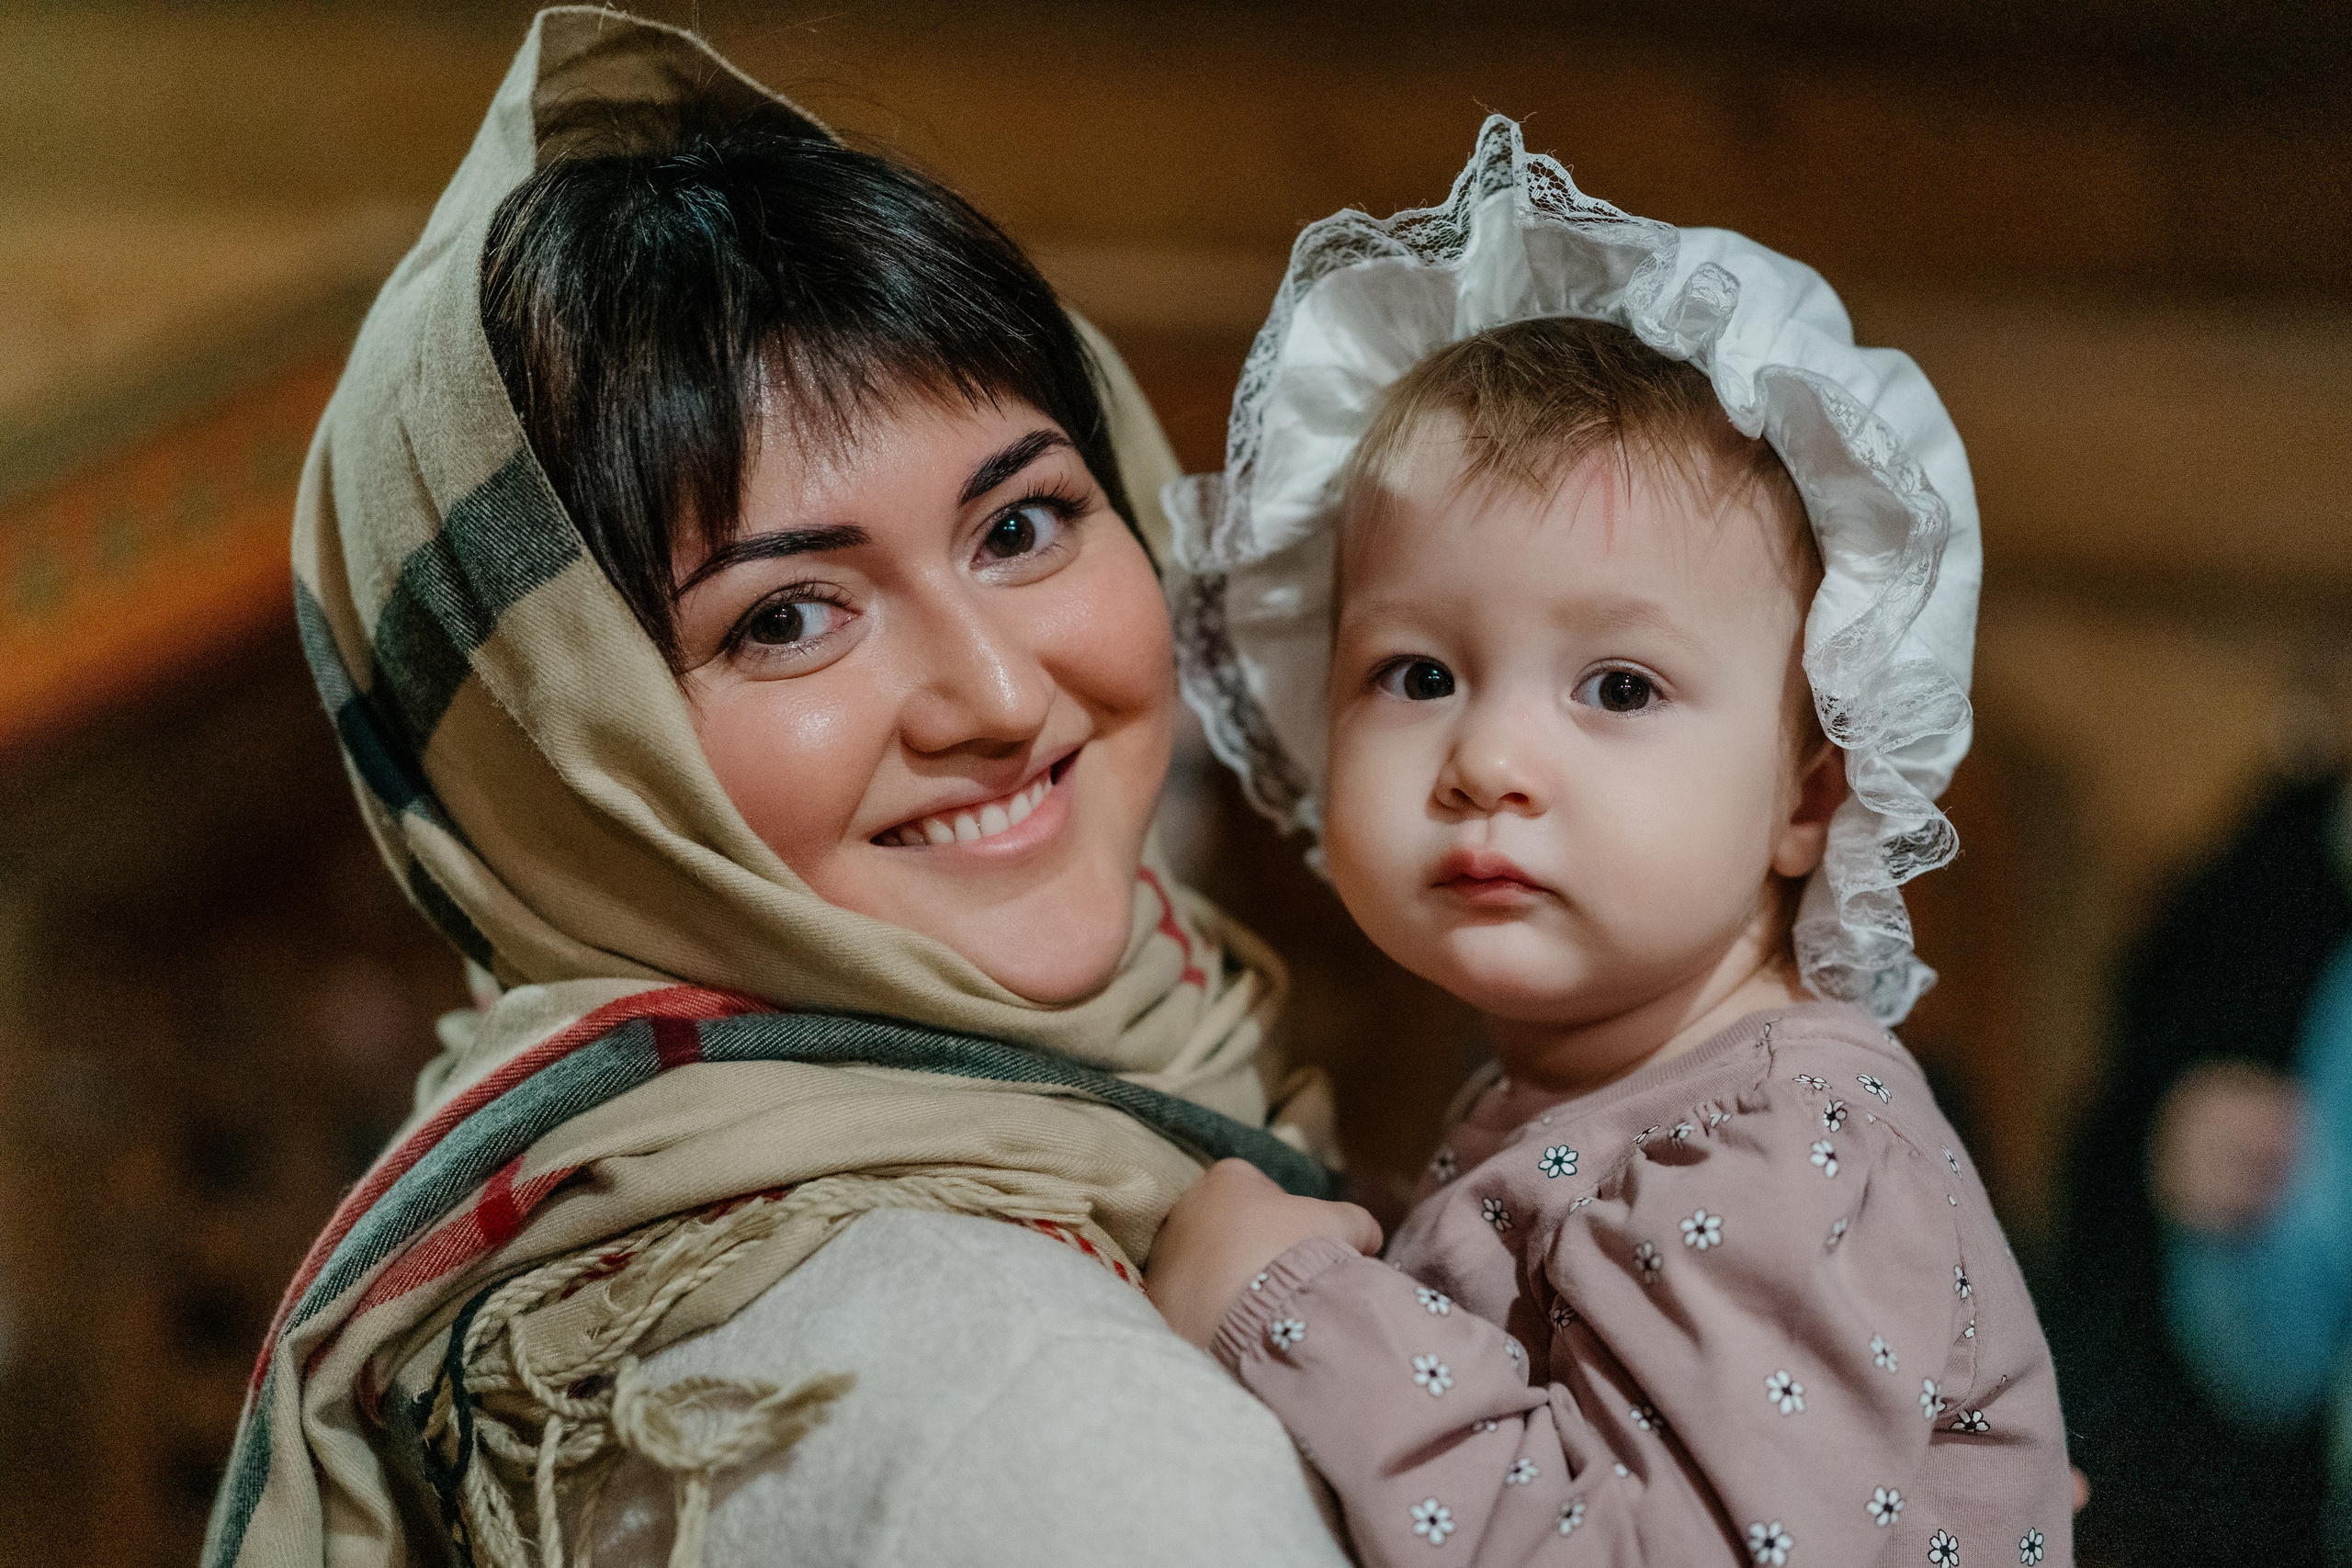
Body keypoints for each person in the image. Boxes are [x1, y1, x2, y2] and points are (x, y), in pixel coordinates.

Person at [205, 12, 1358, 1568]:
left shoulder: (554, 1237)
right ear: (569, 768)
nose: (1004, 700)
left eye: (1020, 526)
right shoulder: (1038, 1423)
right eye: (786, 617)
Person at [1146, 118, 2073, 1564]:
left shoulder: (1781, 1149)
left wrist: (1290, 1312)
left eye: (1619, 688)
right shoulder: (1621, 1094)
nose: (1490, 761)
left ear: (1808, 798)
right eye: (1418, 675)